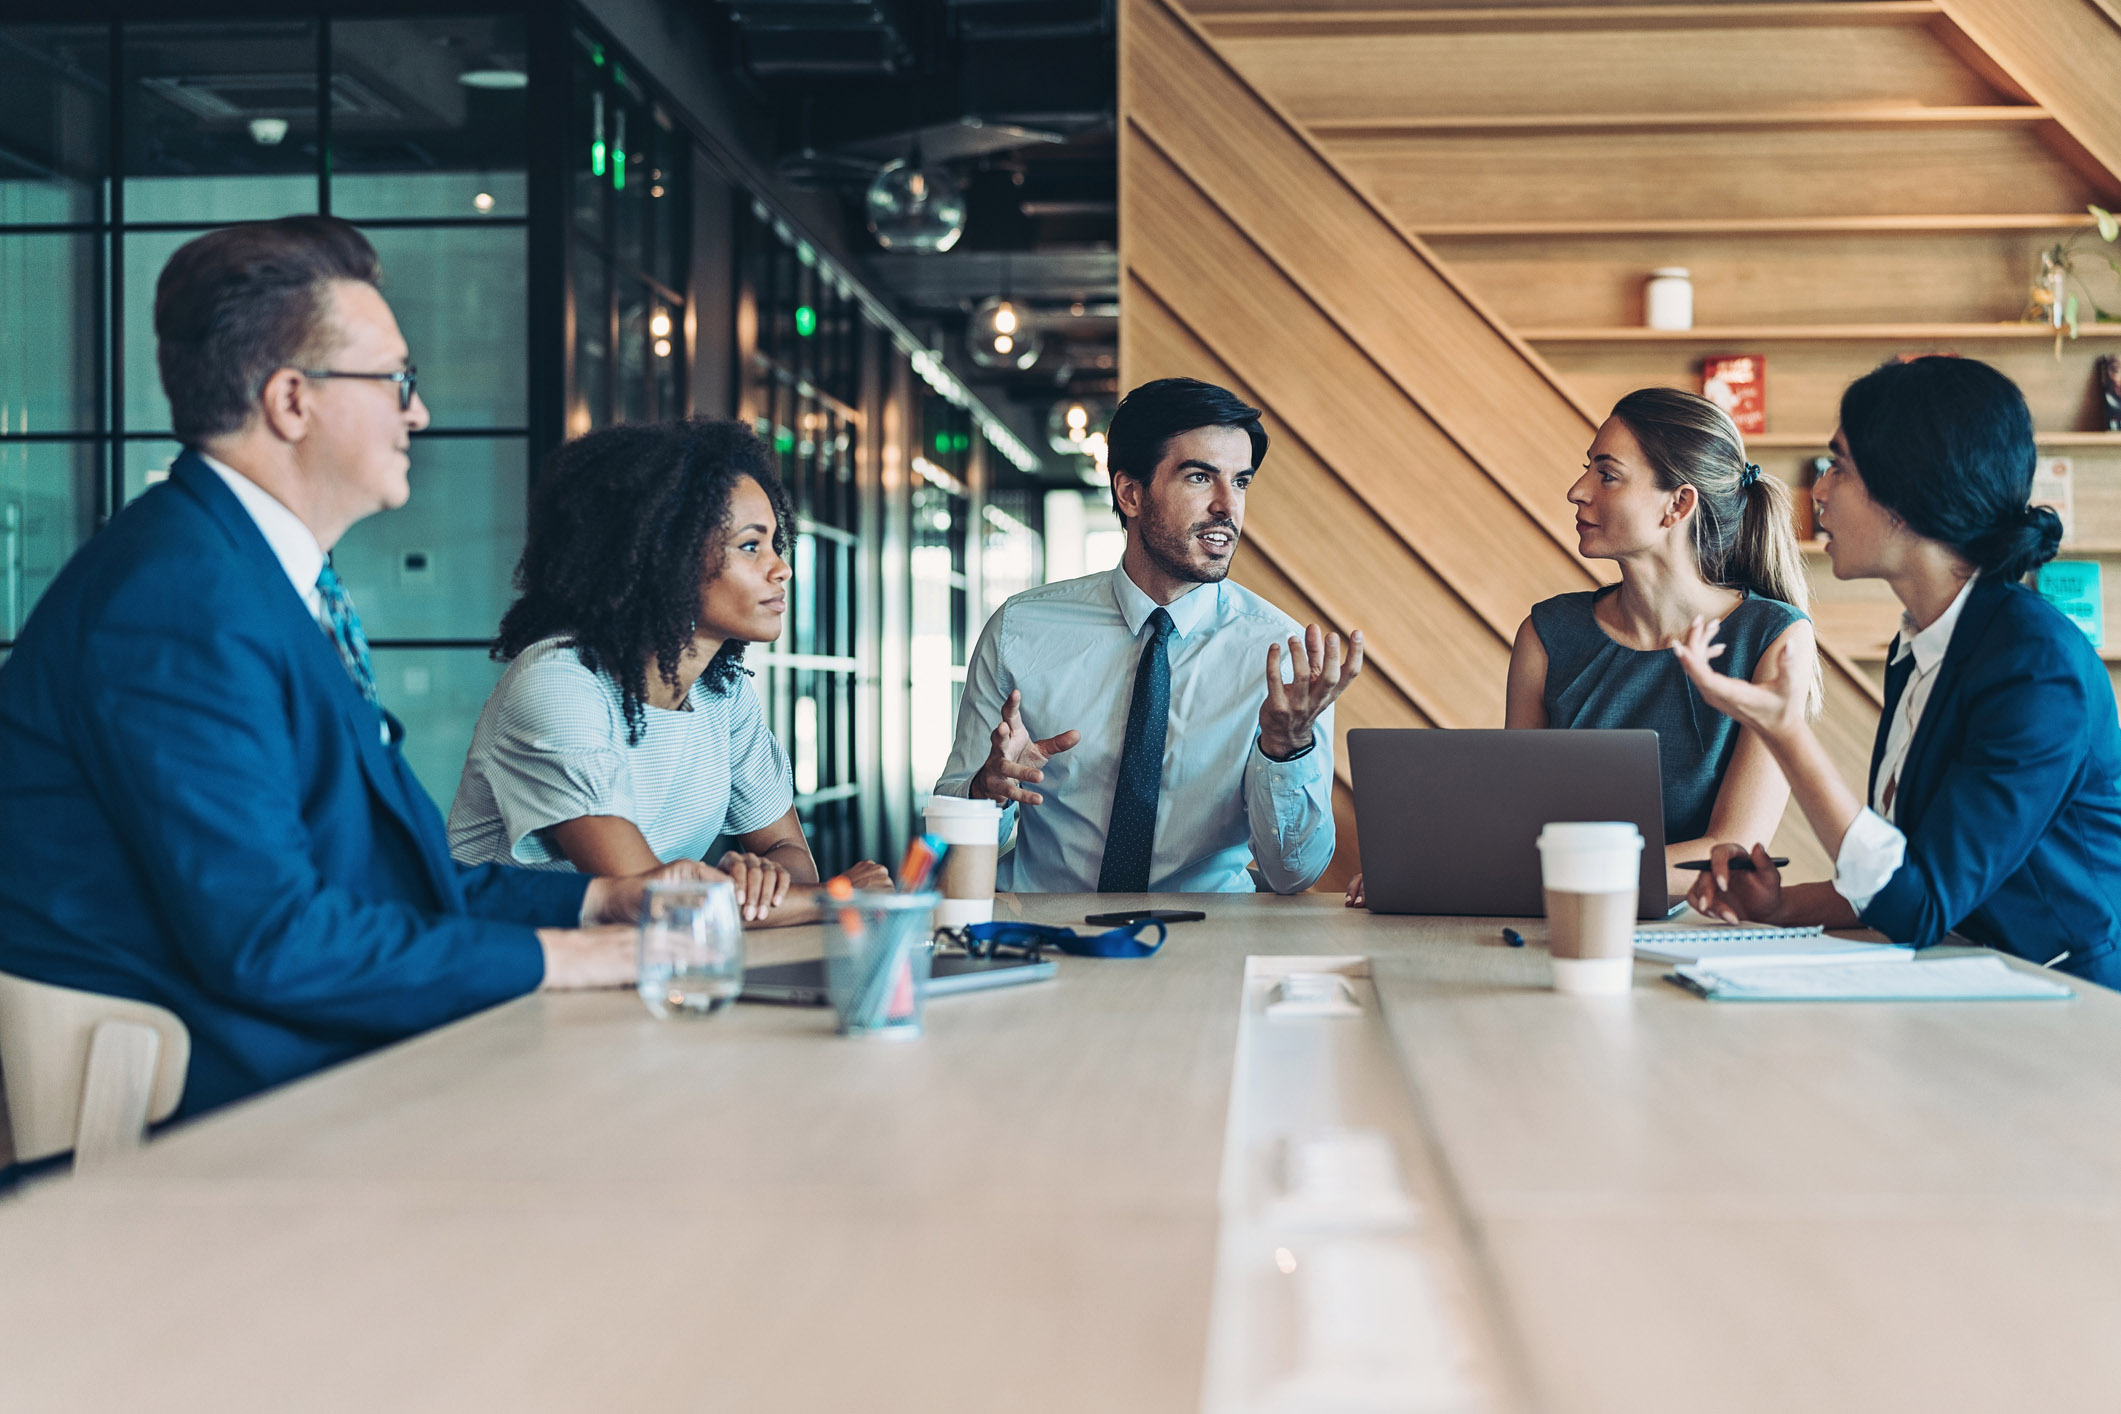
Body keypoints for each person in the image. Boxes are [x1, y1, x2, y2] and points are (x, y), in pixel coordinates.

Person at [0, 218, 691, 1121]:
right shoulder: (177, 599)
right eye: (397, 380)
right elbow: (270, 939)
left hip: (300, 1051)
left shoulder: (253, 574)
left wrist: (603, 904)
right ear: (291, 401)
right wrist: (575, 964)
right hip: (223, 1095)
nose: (419, 412)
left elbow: (378, 876)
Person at [1677, 356, 2121, 986]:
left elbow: (1919, 908)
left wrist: (1785, 732)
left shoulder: (2036, 667)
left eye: (1842, 466)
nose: (1819, 490)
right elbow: (1905, 873)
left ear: (1910, 497)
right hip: (1967, 983)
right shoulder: (1921, 643)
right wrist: (1780, 907)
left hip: (2064, 1004)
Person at [1347, 388, 1817, 906]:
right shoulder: (1547, 634)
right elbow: (1515, 824)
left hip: (1691, 943)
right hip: (1548, 929)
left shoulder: (1773, 639)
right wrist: (1439, 866)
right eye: (1586, 469)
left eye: (1606, 474)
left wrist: (1494, 871)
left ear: (1677, 504)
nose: (1577, 490)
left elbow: (1728, 852)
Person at [932, 376, 1360, 893]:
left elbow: (1294, 874)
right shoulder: (1020, 630)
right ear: (1131, 494)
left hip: (1210, 944)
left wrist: (1286, 747)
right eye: (1201, 478)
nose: (1228, 506)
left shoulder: (1282, 659)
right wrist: (988, 791)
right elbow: (952, 835)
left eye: (1241, 481)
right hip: (1046, 937)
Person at [448, 419, 889, 920]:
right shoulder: (557, 685)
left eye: (774, 544)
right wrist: (837, 896)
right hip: (507, 978)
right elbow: (652, 905)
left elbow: (791, 860)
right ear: (666, 557)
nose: (780, 567)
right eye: (751, 545)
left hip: (632, 975)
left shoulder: (723, 695)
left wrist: (764, 881)